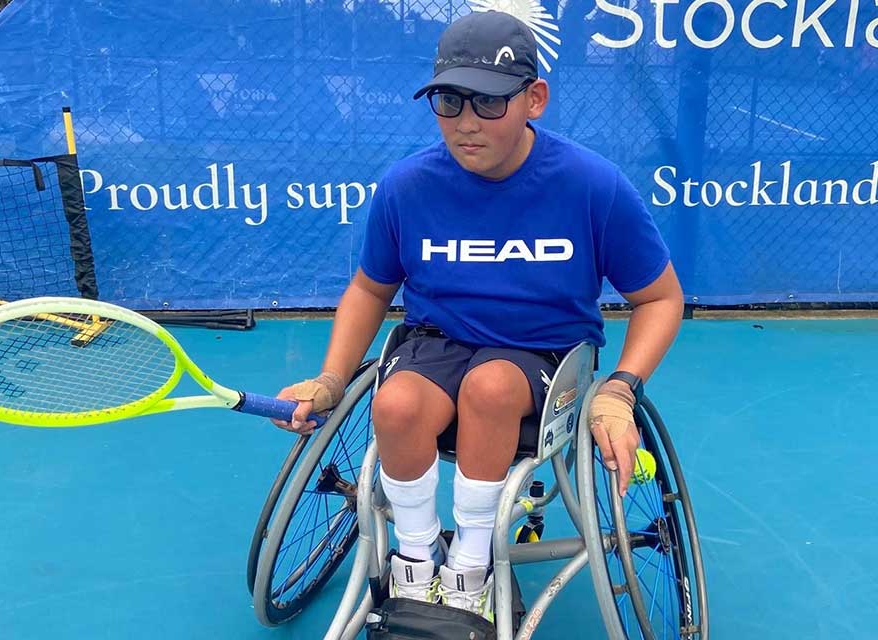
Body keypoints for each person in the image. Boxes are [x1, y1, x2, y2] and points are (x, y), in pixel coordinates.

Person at [271, 9, 684, 624]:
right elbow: (368, 289)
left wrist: (620, 390)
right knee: (394, 406)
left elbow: (660, 298)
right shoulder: (406, 186)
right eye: (449, 101)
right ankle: (414, 562)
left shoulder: (594, 186)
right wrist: (331, 380)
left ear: (534, 99)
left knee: (490, 389)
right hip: (437, 343)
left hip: (544, 354)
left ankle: (471, 565)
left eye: (489, 103)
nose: (466, 123)